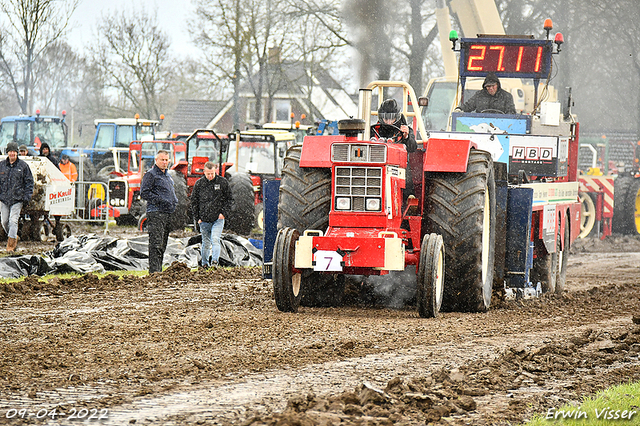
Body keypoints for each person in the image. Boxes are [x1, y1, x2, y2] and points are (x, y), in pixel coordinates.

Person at [140, 150, 178, 274]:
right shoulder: (151, 175)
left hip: (167, 214)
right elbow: (144, 193)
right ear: (156, 160)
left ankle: (159, 272)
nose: (164, 162)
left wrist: (174, 201)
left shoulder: (167, 176)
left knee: (162, 245)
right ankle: (154, 272)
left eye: (166, 160)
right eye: (162, 160)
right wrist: (161, 201)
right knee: (155, 244)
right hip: (156, 212)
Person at [190, 162, 233, 268]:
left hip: (218, 218)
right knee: (205, 242)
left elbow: (229, 199)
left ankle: (214, 261)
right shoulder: (199, 184)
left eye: (212, 174)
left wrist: (223, 214)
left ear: (216, 171)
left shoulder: (222, 183)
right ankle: (204, 263)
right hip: (204, 219)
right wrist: (197, 218)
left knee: (215, 239)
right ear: (204, 172)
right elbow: (194, 201)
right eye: (208, 174)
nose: (210, 176)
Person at [0, 142, 34, 252]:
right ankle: (14, 237)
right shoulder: (1, 165)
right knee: (5, 221)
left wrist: (26, 197)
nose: (12, 153)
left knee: (13, 220)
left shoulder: (23, 166)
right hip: (4, 198)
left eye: (14, 151)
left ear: (17, 153)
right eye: (10, 151)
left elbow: (29, 182)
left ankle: (10, 246)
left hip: (17, 199)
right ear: (7, 153)